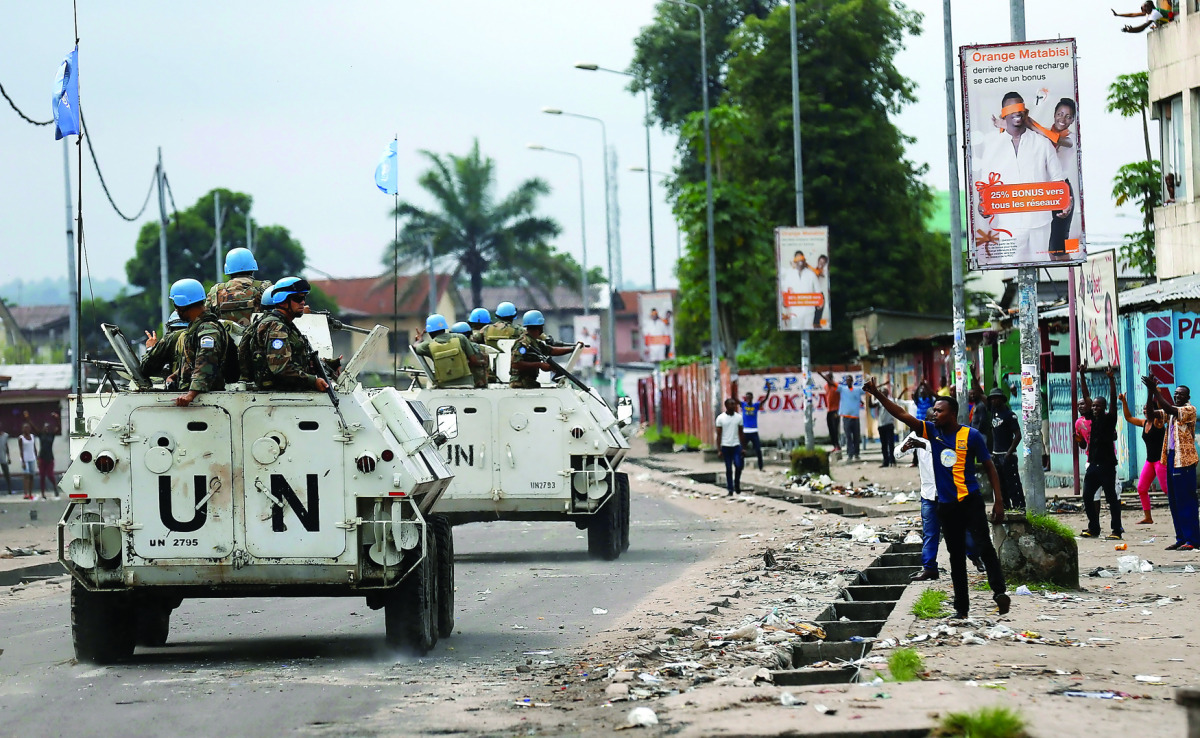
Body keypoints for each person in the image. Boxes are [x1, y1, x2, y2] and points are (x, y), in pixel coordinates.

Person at [864, 378, 1010, 618]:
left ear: (952, 414)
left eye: (939, 411)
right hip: (946, 505)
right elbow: (902, 414)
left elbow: (990, 467)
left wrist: (998, 500)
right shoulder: (931, 432)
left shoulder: (971, 436)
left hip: (970, 500)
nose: (934, 414)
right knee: (955, 557)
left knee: (985, 547)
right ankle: (961, 609)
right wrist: (878, 394)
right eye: (934, 411)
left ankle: (999, 592)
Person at [976, 91, 1071, 264]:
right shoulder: (992, 146)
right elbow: (984, 184)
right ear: (1004, 113)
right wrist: (983, 205)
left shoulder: (1042, 143)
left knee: (1042, 270)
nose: (1017, 112)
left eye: (1020, 108)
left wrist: (1064, 203)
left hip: (1040, 223)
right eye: (1012, 109)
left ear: (1025, 112)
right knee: (1012, 272)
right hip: (1009, 225)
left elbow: (1058, 179)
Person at [900, 408, 984, 581]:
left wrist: (923, 445)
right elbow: (897, 453)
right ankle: (929, 568)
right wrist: (905, 447)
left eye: (934, 419)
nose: (932, 423)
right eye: (929, 420)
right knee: (930, 533)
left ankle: (975, 556)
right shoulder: (916, 436)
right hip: (929, 494)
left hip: (950, 495)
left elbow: (943, 451)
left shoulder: (945, 437)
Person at [241, 278, 333, 391]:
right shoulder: (277, 327)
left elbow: (295, 359)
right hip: (278, 395)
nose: (303, 302)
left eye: (303, 297)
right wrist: (313, 381)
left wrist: (329, 365)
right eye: (297, 298)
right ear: (283, 300)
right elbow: (280, 368)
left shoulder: (285, 324)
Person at [1143, 375, 1200, 550]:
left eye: (1181, 395)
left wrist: (1155, 390)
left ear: (1187, 397)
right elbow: (1151, 413)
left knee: (1186, 499)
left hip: (1185, 460)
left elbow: (1169, 407)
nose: (1177, 397)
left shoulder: (1189, 410)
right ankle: (1181, 537)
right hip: (1171, 457)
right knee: (1174, 500)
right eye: (1176, 394)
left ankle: (1193, 539)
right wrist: (1150, 393)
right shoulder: (1171, 413)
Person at [171, 278, 232, 407]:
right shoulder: (198, 327)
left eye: (176, 305)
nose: (176, 310)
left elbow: (206, 360)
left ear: (182, 304)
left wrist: (190, 395)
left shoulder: (208, 329)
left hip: (207, 401)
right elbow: (194, 361)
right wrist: (175, 375)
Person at [1078, 365, 1122, 539]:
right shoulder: (1091, 419)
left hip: (1107, 466)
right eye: (1093, 406)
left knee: (1112, 499)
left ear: (1103, 408)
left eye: (1097, 406)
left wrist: (1111, 379)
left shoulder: (1109, 418)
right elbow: (1086, 395)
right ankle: (1094, 528)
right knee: (1087, 496)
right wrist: (1082, 375)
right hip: (1093, 466)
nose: (1094, 408)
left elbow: (1112, 399)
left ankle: (1116, 530)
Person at [1119, 391, 1163, 525]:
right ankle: (1148, 517)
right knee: (1142, 488)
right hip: (1150, 461)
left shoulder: (1159, 422)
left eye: (1148, 409)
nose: (1145, 411)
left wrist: (1155, 392)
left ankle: (1178, 511)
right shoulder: (1144, 423)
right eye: (1144, 409)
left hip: (1161, 461)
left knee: (1167, 490)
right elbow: (1128, 418)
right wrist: (1124, 402)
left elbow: (1162, 410)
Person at [413, 314, 488, 389]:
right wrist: (483, 362)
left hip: (444, 386)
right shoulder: (461, 338)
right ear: (444, 327)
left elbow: (415, 346)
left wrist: (420, 340)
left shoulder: (428, 345)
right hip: (466, 384)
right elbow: (474, 360)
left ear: (429, 331)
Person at [205, 247, 272, 327]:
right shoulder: (265, 288)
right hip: (257, 338)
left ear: (228, 268)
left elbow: (206, 318)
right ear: (253, 266)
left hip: (225, 339)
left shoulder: (216, 291)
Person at [508, 310, 574, 389]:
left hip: (528, 382)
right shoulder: (523, 342)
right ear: (539, 328)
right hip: (519, 383)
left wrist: (572, 349)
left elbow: (550, 350)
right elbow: (515, 364)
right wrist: (539, 365)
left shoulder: (534, 342)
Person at [988, 388, 1025, 511]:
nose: (993, 400)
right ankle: (1005, 508)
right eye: (992, 398)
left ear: (1002, 399)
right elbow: (980, 395)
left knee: (1012, 483)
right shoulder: (994, 411)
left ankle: (1019, 508)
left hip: (1007, 455)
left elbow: (1018, 434)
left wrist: (1009, 452)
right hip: (996, 455)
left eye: (996, 398)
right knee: (1000, 484)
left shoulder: (1010, 415)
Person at [140, 310, 189, 385]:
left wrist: (151, 348)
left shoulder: (170, 338)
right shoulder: (200, 333)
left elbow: (146, 368)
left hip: (181, 389)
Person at [779, 251, 820, 330]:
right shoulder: (789, 274)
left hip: (809, 310)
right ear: (795, 261)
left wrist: (818, 303)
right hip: (794, 311)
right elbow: (784, 292)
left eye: (801, 259)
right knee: (795, 329)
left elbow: (818, 292)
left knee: (809, 328)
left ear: (804, 260)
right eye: (798, 259)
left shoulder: (811, 274)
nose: (800, 261)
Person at [716, 398, 746, 495]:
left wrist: (743, 447)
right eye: (731, 404)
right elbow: (719, 435)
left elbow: (741, 433)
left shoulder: (739, 417)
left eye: (734, 404)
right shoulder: (720, 418)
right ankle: (730, 489)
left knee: (738, 465)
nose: (733, 406)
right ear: (726, 406)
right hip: (725, 446)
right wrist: (719, 449)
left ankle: (736, 483)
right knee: (728, 469)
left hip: (736, 445)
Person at [740, 385, 773, 471]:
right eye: (747, 398)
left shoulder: (756, 405)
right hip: (745, 432)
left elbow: (765, 399)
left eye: (750, 398)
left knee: (758, 450)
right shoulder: (743, 405)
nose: (748, 399)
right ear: (745, 399)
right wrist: (732, 386)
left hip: (754, 431)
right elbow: (734, 398)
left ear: (752, 398)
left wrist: (768, 390)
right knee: (742, 450)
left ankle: (761, 467)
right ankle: (740, 466)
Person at [838, 375, 865, 461]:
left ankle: (856, 453)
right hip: (846, 417)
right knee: (848, 436)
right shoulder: (843, 389)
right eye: (847, 380)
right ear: (845, 381)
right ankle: (850, 454)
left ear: (852, 381)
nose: (848, 382)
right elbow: (832, 384)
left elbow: (866, 390)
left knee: (856, 436)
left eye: (850, 380)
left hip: (855, 416)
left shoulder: (857, 390)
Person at [875, 385, 897, 467]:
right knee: (883, 445)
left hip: (889, 424)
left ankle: (892, 460)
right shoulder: (878, 401)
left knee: (891, 444)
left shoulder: (890, 400)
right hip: (881, 425)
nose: (883, 393)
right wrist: (870, 395)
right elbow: (871, 405)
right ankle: (886, 461)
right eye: (882, 392)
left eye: (885, 392)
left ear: (887, 393)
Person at [35, 421, 57, 499]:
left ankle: (55, 487)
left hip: (50, 458)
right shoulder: (41, 435)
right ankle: (43, 493)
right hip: (42, 458)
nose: (46, 428)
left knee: (50, 475)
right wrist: (28, 419)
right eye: (45, 427)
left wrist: (57, 419)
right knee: (42, 476)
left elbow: (57, 428)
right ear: (43, 428)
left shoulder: (51, 435)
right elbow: (34, 428)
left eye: (48, 427)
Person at [820, 372, 841, 451]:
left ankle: (837, 445)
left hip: (836, 410)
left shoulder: (836, 386)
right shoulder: (826, 386)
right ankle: (834, 445)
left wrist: (820, 375)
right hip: (829, 410)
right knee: (831, 429)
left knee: (835, 428)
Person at [17, 423, 37, 500]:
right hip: (25, 459)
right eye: (25, 428)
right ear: (22, 429)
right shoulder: (21, 438)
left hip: (32, 458)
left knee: (31, 476)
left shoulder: (32, 436)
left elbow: (34, 447)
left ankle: (30, 493)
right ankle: (25, 494)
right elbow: (21, 450)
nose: (26, 430)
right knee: (26, 476)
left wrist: (37, 458)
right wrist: (23, 461)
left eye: (28, 428)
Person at [811, 254, 829, 330]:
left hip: (819, 294)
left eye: (823, 262)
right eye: (820, 261)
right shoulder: (813, 270)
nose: (821, 263)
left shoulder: (824, 272)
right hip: (812, 294)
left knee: (818, 314)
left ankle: (817, 325)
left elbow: (820, 275)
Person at [0, 427, 11, 495]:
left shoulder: (5, 435)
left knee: (6, 473)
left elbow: (6, 446)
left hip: (2, 456)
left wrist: (9, 457)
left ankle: (9, 489)